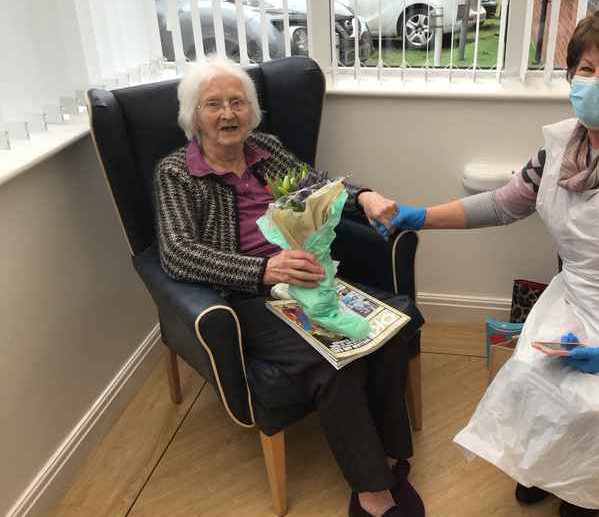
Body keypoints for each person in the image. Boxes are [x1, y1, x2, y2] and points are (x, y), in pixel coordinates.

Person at [384, 6, 599, 517]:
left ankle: (587, 493)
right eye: (586, 69)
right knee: (530, 373)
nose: (595, 83)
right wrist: (418, 216)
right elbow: (504, 204)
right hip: (580, 298)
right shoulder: (562, 146)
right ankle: (550, 468)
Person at [154, 56, 424, 517]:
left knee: (391, 329)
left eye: (237, 102)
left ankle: (394, 457)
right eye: (213, 104)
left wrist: (363, 195)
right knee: (333, 363)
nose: (227, 114)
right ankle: (372, 490)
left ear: (251, 110)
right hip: (247, 295)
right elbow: (177, 253)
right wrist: (263, 271)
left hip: (309, 278)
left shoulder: (265, 149)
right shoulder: (176, 173)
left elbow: (318, 188)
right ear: (193, 117)